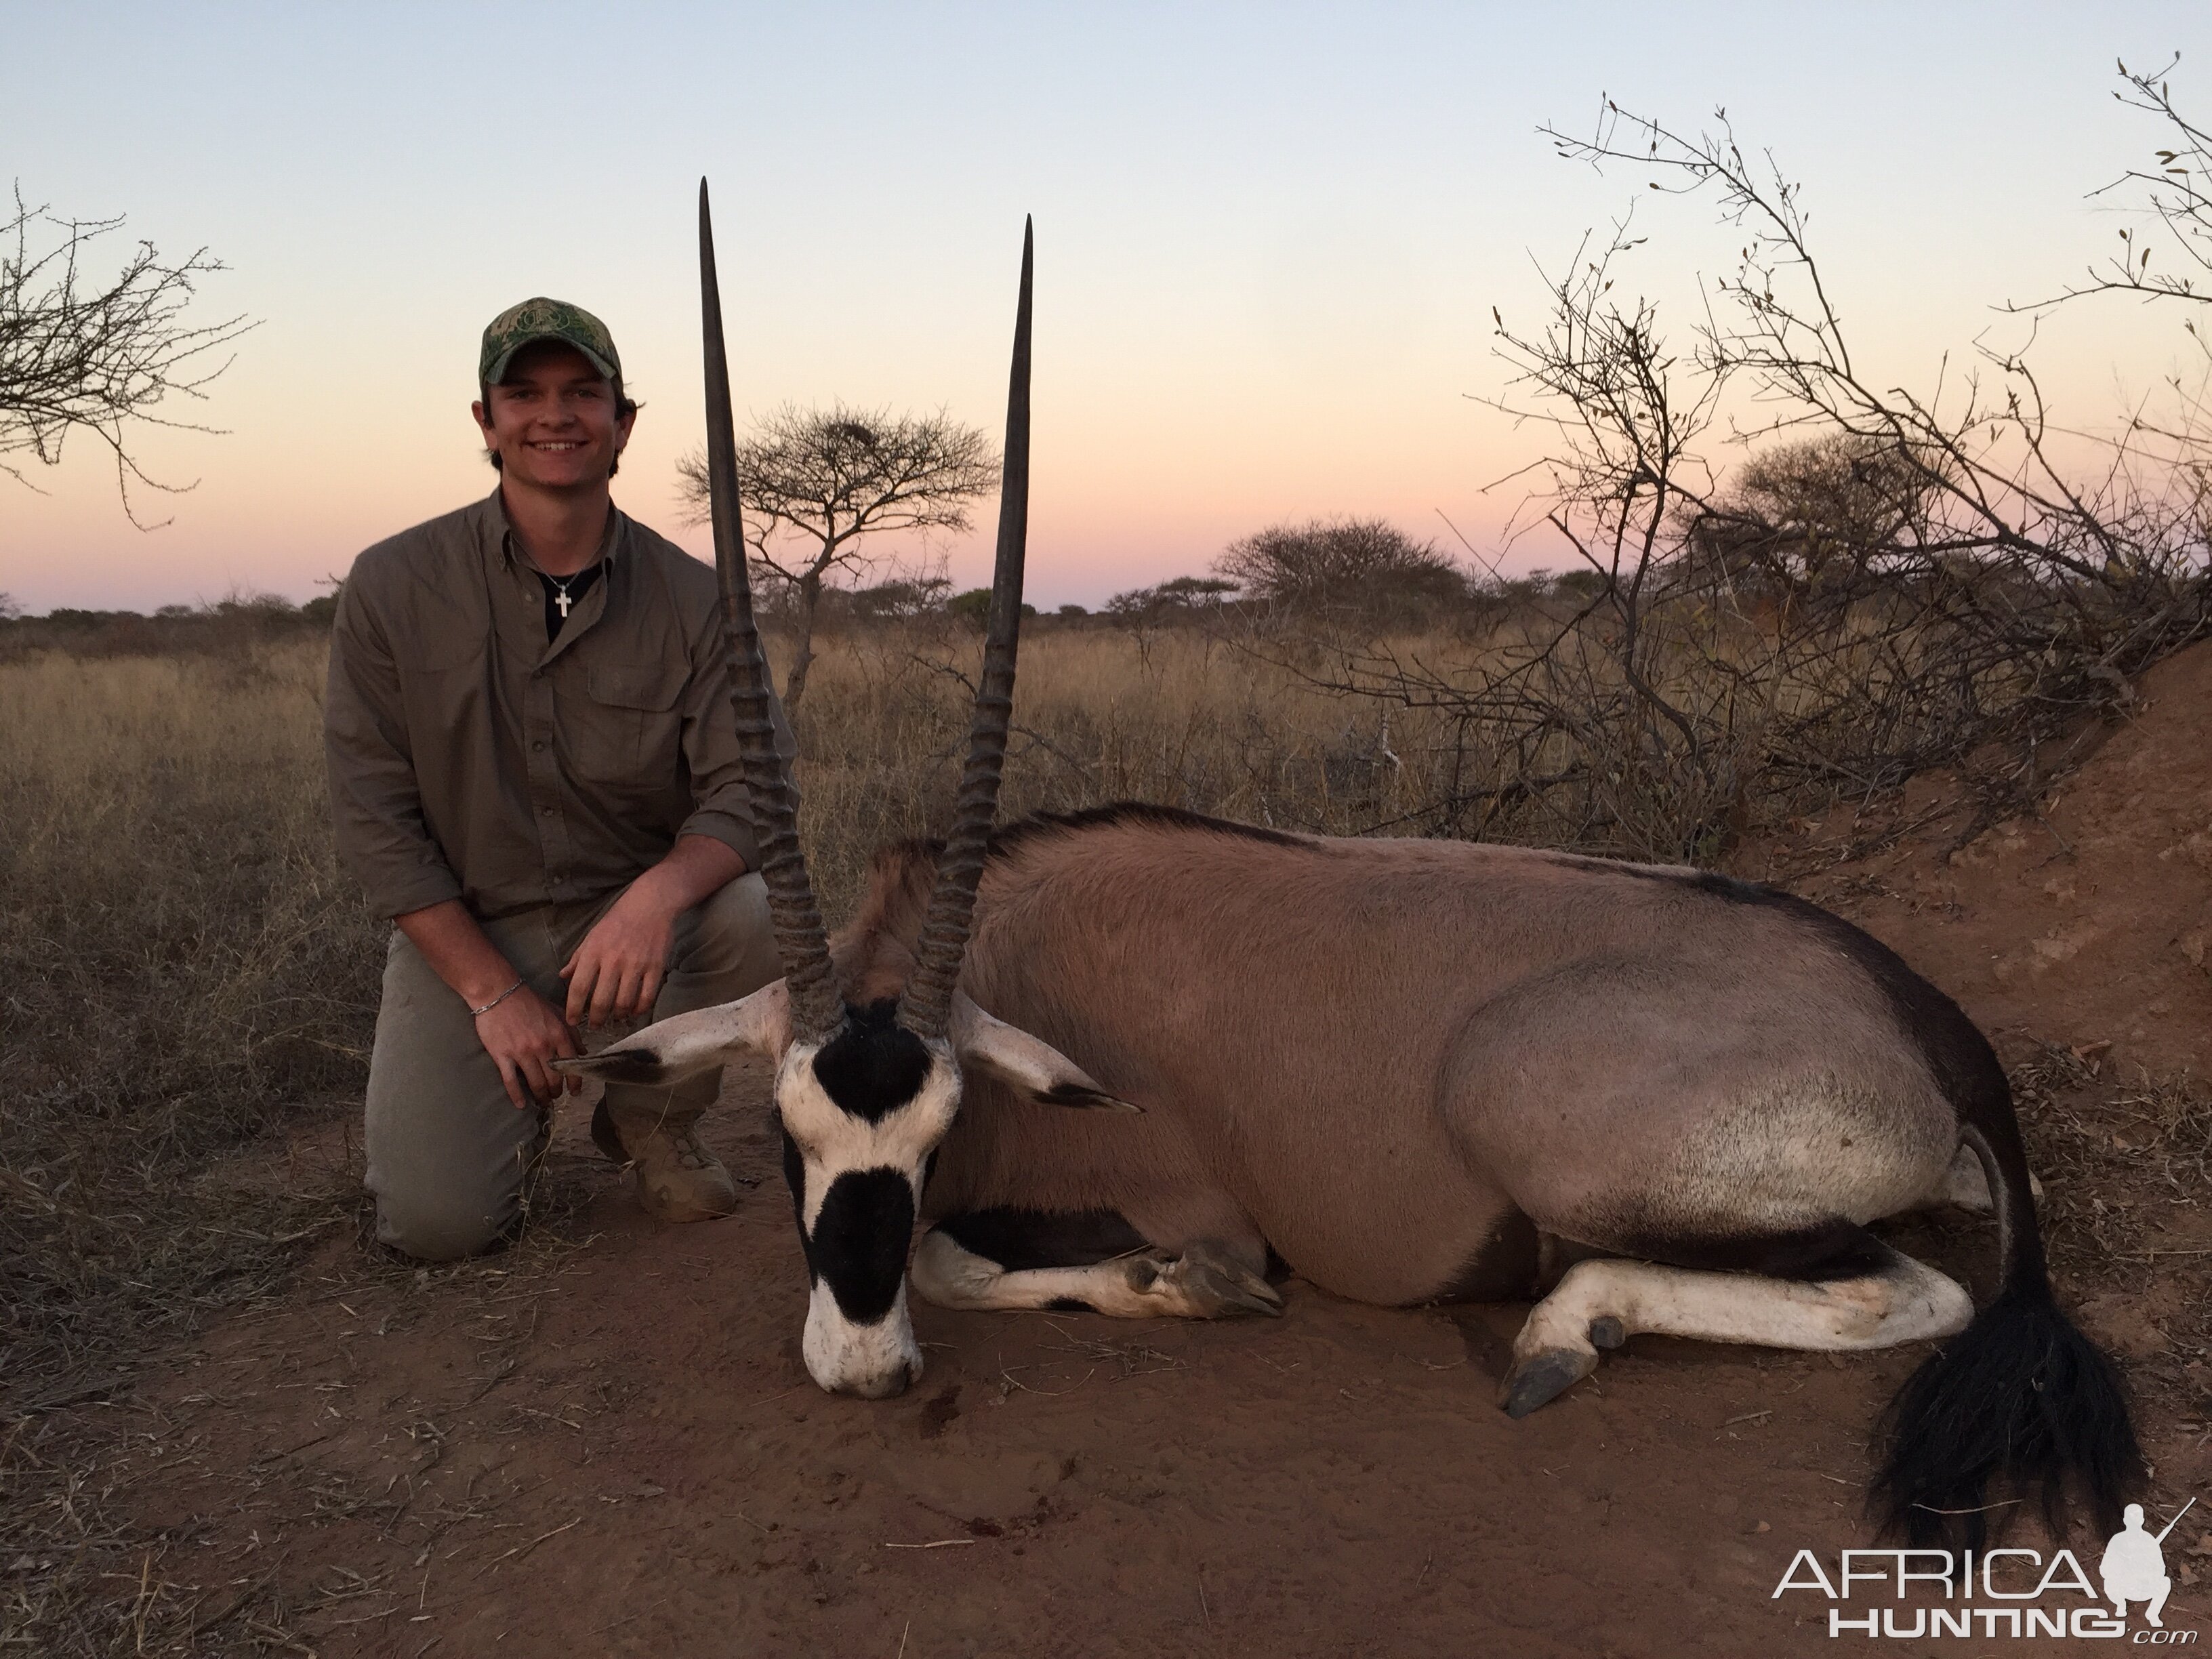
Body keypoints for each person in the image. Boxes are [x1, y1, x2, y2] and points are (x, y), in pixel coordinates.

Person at [324, 296, 785, 1261]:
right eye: (524, 393)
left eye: (584, 393)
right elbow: (374, 819)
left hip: (633, 934)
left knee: (753, 911)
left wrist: (655, 898)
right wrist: (492, 993)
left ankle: (647, 1119)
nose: (556, 415)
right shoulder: (390, 586)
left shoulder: (702, 600)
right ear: (486, 423)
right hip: (470, 936)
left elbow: (750, 792)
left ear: (624, 423)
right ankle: (508, 1098)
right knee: (439, 1230)